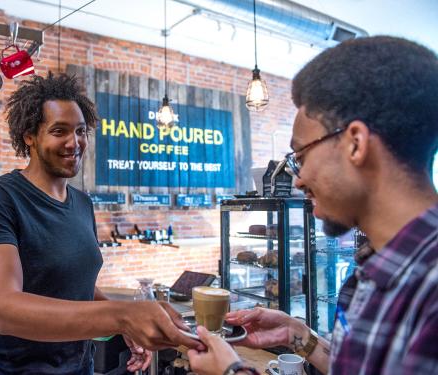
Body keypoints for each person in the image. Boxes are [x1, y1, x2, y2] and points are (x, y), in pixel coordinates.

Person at [188, 36, 438, 375]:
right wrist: (298, 336)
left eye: (301, 156)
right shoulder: (378, 266)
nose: (298, 179)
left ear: (355, 145)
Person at [0, 73, 201, 374]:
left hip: (78, 365)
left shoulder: (82, 204)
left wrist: (125, 327)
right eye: (59, 131)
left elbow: (79, 288)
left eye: (80, 131)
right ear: (29, 136)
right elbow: (3, 310)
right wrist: (123, 315)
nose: (73, 142)